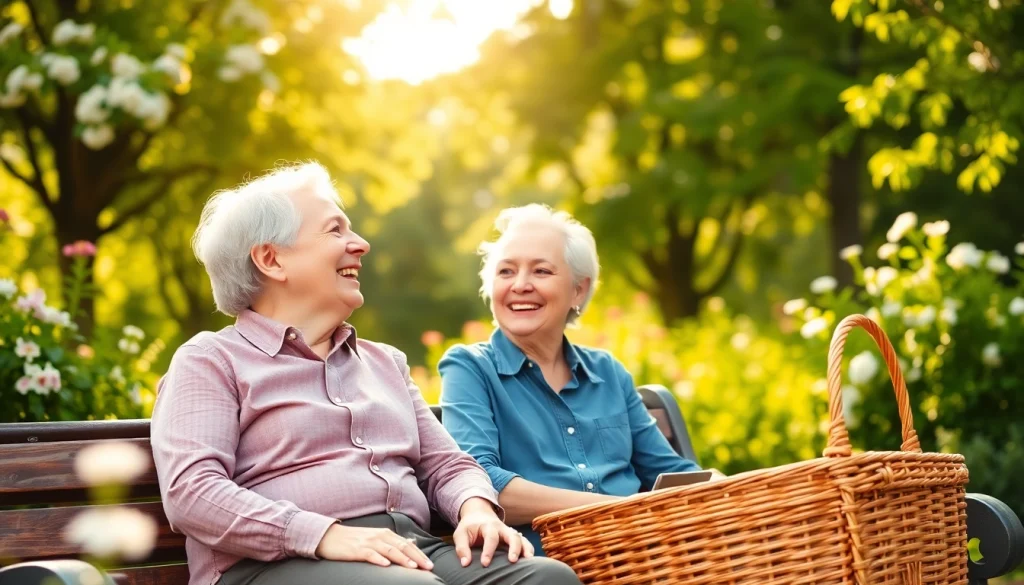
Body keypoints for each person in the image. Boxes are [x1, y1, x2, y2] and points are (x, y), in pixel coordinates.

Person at [150, 163, 581, 585]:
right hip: (270, 565)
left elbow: (447, 465)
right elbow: (192, 493)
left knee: (547, 578)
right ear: (271, 259)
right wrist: (323, 535)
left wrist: (475, 508)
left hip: (408, 549)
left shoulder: (384, 362)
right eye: (335, 230)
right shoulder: (211, 360)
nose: (360, 244)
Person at [439, 204, 718, 555]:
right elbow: (479, 482)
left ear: (578, 291)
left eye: (541, 271)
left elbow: (669, 470)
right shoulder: (469, 367)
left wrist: (721, 485)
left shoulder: (608, 372)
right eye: (506, 271)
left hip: (643, 557)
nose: (520, 285)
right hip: (543, 564)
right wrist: (608, 510)